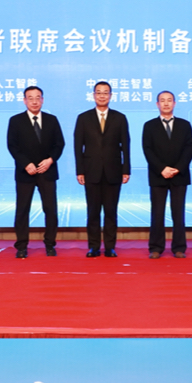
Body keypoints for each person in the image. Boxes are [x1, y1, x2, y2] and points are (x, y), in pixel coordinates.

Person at [74, 81, 130, 257]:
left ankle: (110, 247)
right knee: (93, 211)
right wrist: (80, 170)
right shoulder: (83, 118)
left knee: (111, 211)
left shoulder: (120, 118)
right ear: (93, 95)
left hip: (114, 171)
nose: (102, 96)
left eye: (106, 93)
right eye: (99, 93)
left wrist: (126, 169)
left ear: (111, 96)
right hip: (91, 171)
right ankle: (93, 246)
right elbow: (78, 146)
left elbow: (126, 145)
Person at [7, 86, 65, 259]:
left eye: (37, 97)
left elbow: (59, 144)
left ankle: (50, 244)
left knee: (51, 210)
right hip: (25, 173)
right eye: (30, 98)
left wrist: (50, 160)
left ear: (43, 100)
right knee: (22, 210)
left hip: (47, 171)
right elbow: (12, 146)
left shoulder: (52, 120)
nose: (34, 101)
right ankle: (22, 246)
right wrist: (26, 164)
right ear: (24, 100)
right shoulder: (15, 121)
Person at [142, 90, 192, 259]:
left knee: (178, 213)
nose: (166, 103)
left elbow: (189, 149)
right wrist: (162, 169)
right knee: (157, 212)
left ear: (175, 103)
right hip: (158, 175)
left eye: (169, 100)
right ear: (157, 104)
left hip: (180, 175)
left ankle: (179, 247)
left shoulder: (185, 125)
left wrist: (177, 168)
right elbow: (147, 150)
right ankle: (156, 247)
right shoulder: (149, 126)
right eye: (162, 101)